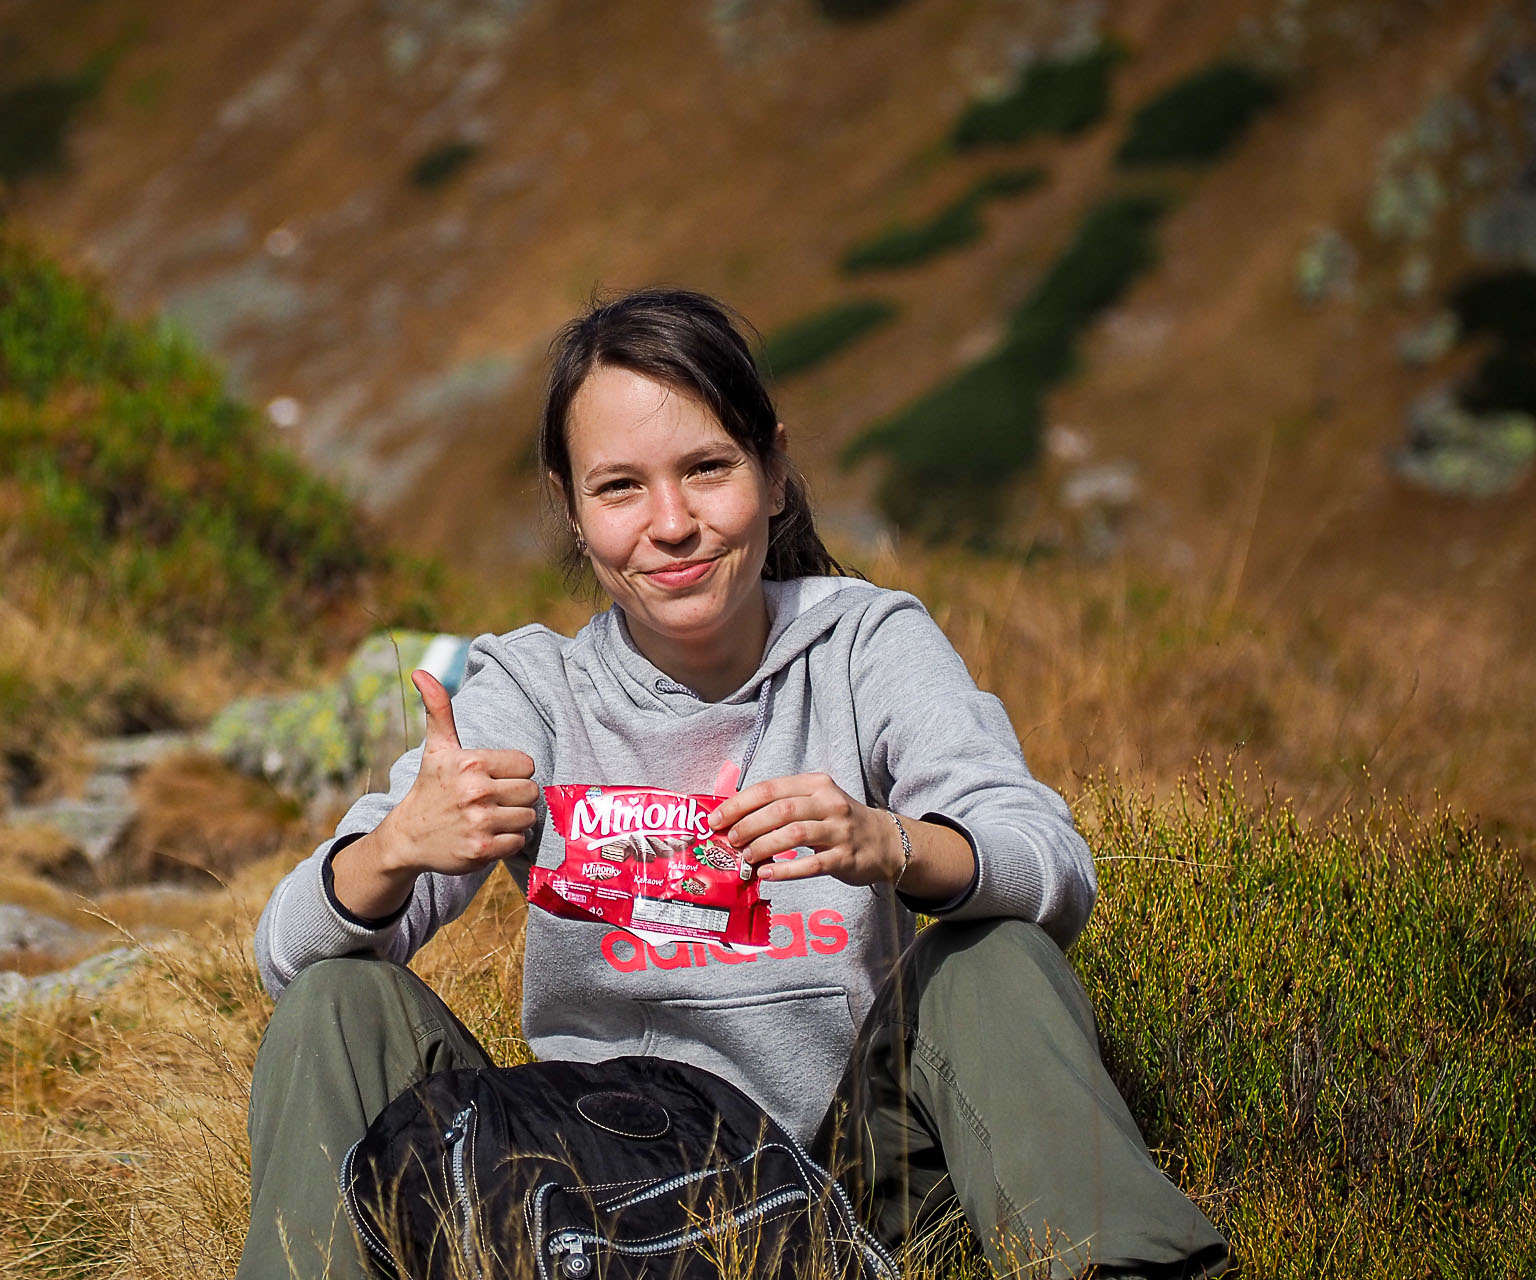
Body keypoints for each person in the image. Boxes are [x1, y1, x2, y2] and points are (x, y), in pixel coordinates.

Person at [238, 288, 1228, 1280]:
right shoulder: (534, 689)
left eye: (706, 468)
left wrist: (896, 844)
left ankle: (1134, 1266)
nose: (672, 523)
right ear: (572, 509)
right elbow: (285, 951)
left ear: (775, 471)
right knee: (336, 1000)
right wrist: (396, 846)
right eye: (620, 487)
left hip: (848, 1184)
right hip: (586, 1185)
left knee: (993, 955)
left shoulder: (865, 645)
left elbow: (1053, 863)